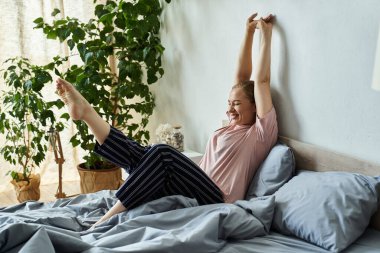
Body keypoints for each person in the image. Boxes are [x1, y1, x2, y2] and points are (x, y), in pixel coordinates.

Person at [55, 12, 277, 229]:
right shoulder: (231, 126)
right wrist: (248, 32)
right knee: (141, 154)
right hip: (197, 187)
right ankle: (87, 113)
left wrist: (265, 37)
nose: (229, 109)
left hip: (217, 200)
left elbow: (262, 82)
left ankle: (103, 221)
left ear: (255, 106)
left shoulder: (259, 133)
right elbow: (241, 79)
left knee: (163, 153)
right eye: (229, 102)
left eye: (236, 104)